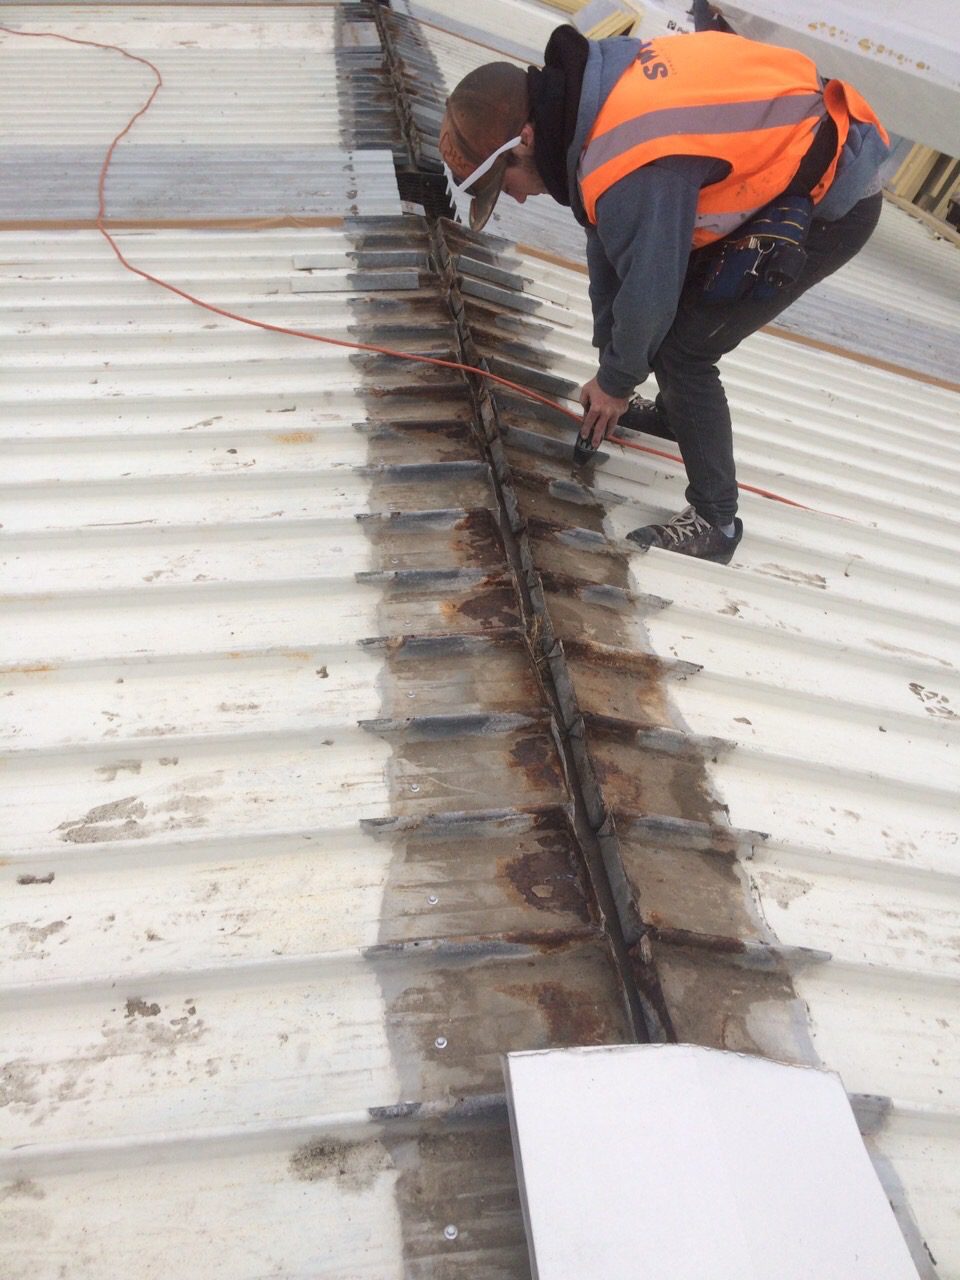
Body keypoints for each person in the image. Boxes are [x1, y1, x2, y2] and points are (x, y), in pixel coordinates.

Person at [439, 26, 890, 563]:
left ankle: (716, 521)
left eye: (504, 183)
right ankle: (678, 416)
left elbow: (651, 292)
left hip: (832, 193)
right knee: (660, 323)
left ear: (525, 139)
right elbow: (611, 245)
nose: (513, 199)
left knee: (684, 347)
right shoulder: (593, 99)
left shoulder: (632, 161)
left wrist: (616, 381)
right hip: (777, 154)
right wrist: (612, 366)